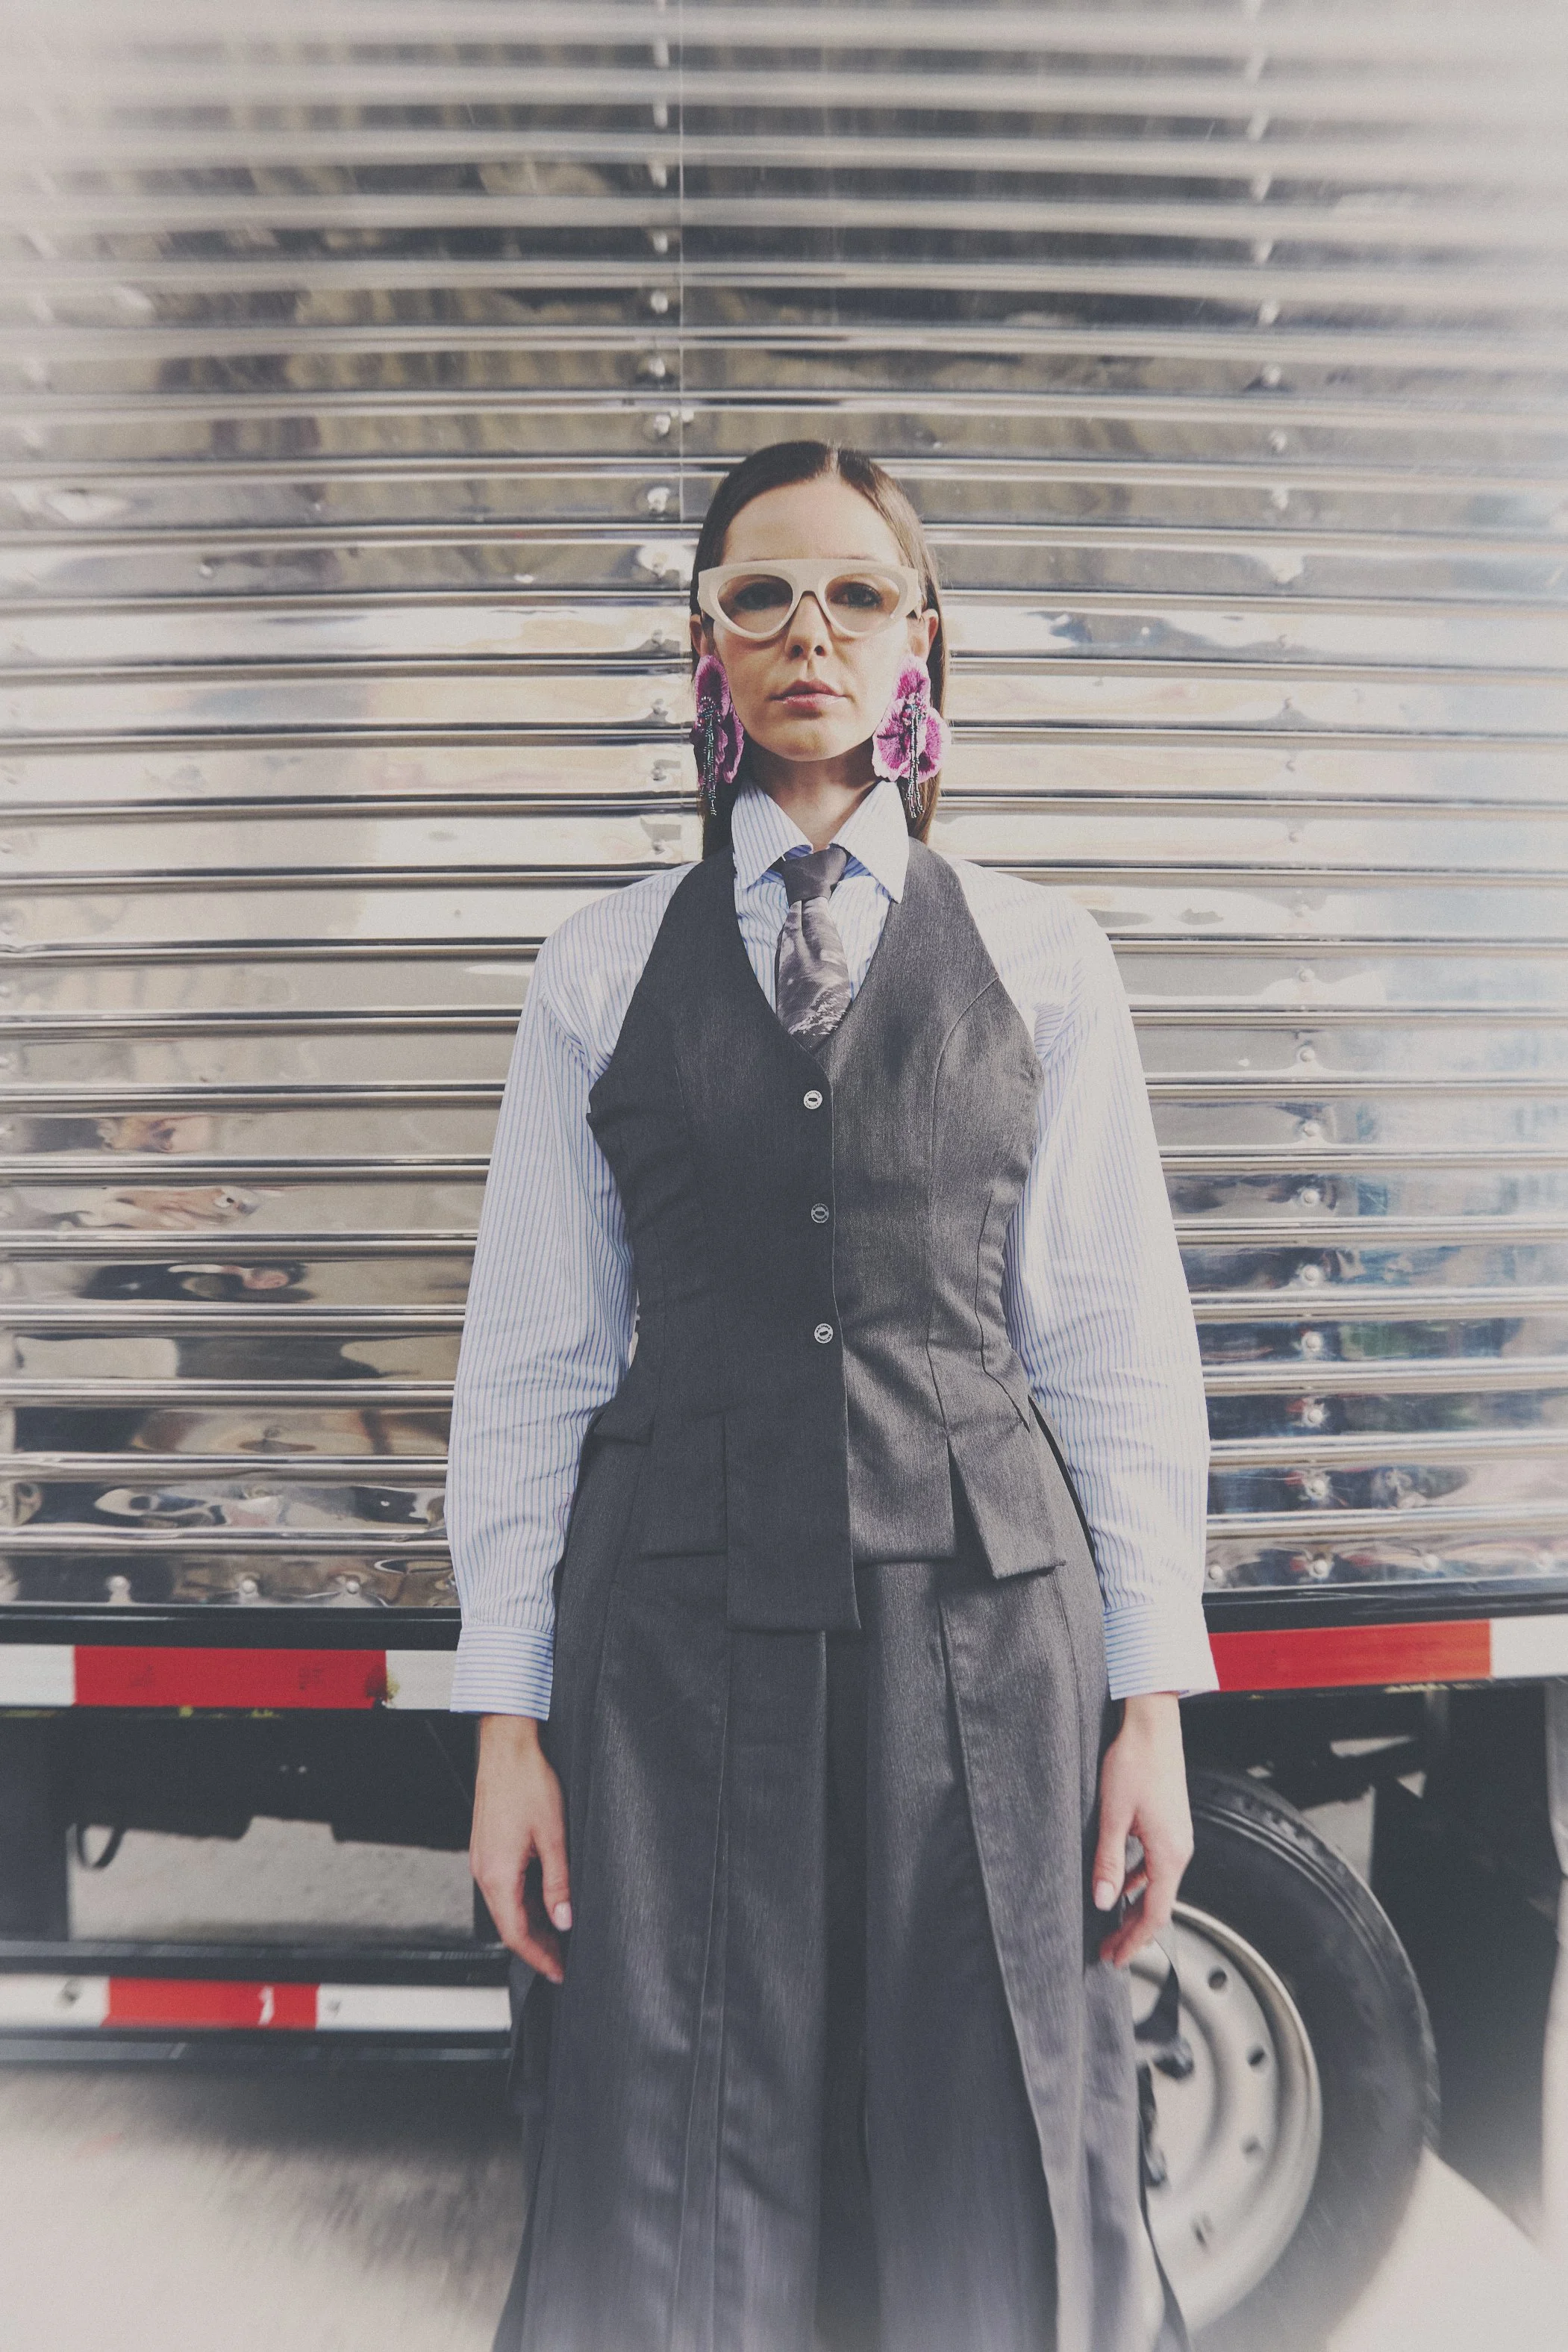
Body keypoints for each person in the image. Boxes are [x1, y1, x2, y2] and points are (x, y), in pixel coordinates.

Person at [446, 439, 1219, 2352]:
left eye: (857, 593)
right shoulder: (596, 965)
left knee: (995, 2124)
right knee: (675, 2141)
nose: (811, 631)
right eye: (759, 596)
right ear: (704, 653)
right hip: (675, 1645)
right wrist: (506, 1726)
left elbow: (1111, 1344)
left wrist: (1154, 1706)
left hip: (986, 1629)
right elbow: (537, 1358)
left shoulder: (1049, 960)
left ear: (920, 645)